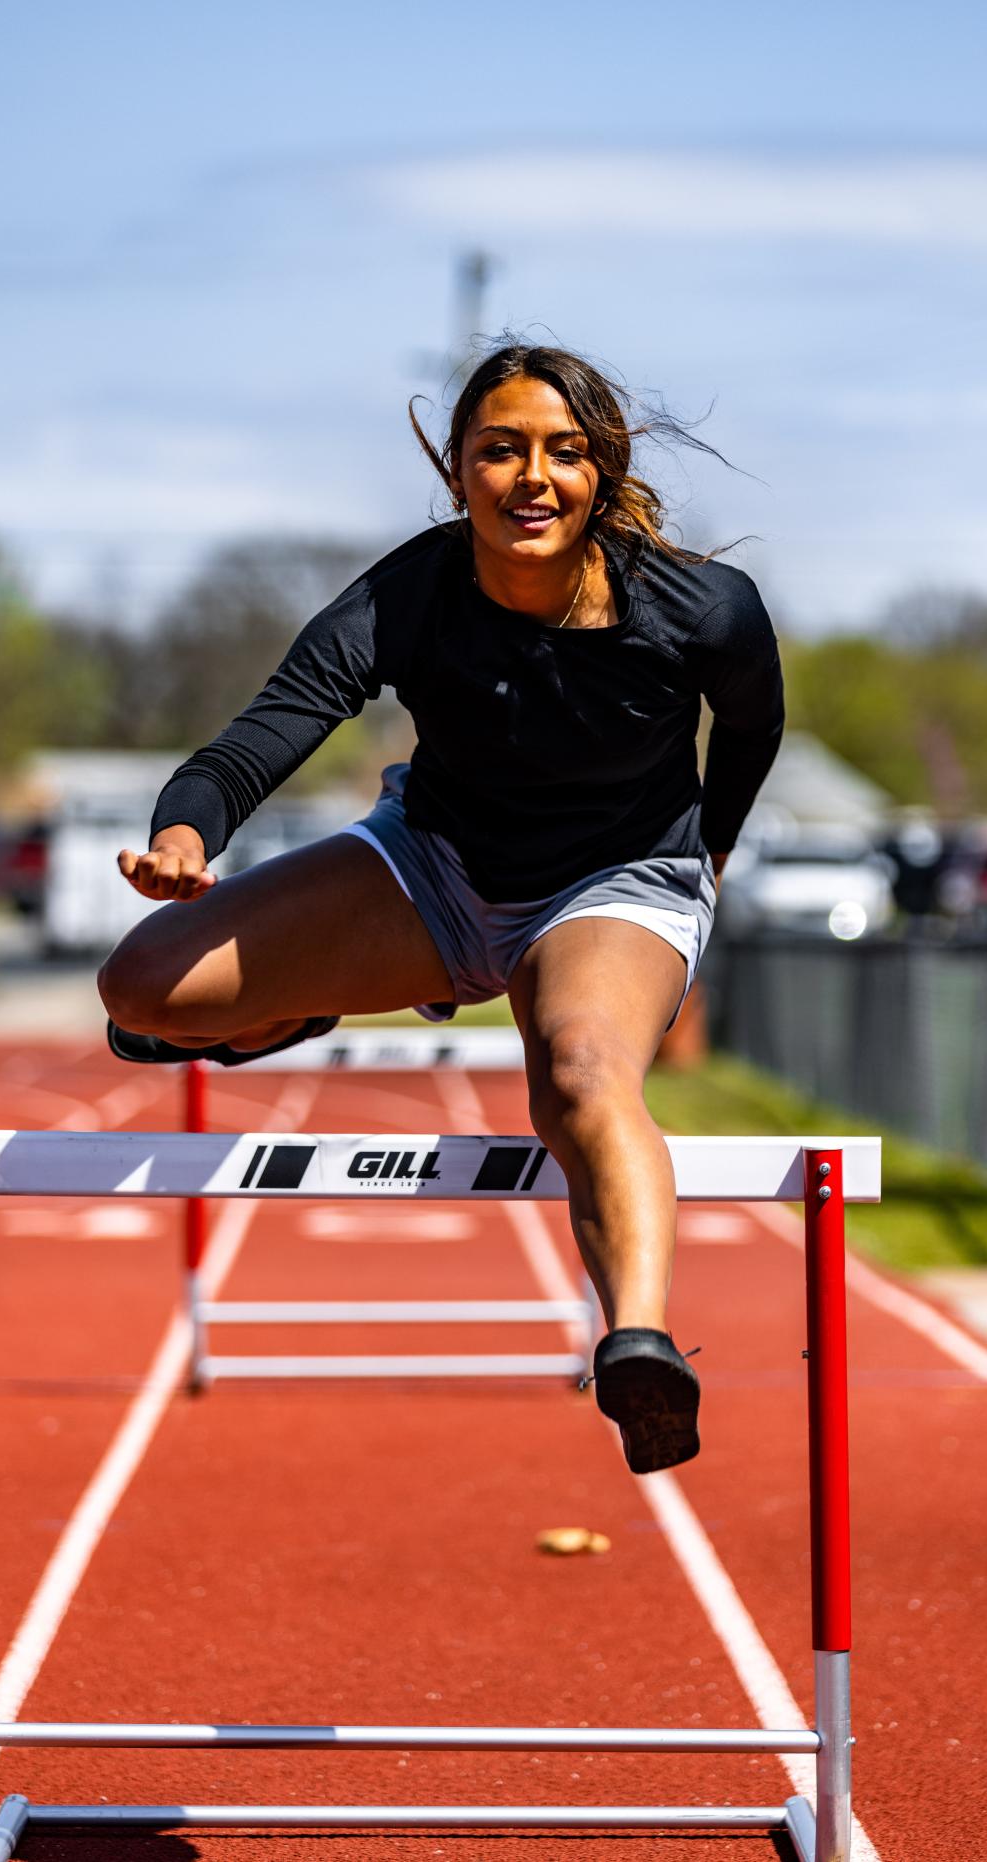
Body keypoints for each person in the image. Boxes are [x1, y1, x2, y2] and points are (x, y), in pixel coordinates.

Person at [98, 341, 784, 1474]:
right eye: (500, 449)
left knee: (579, 1070)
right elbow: (266, 730)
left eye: (564, 453)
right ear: (457, 467)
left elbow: (752, 728)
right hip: (437, 863)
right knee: (142, 989)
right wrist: (184, 836)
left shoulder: (702, 607)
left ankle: (641, 1342)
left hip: (614, 883)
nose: (533, 477)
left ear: (602, 470)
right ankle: (300, 1003)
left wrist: (709, 850)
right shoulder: (408, 594)